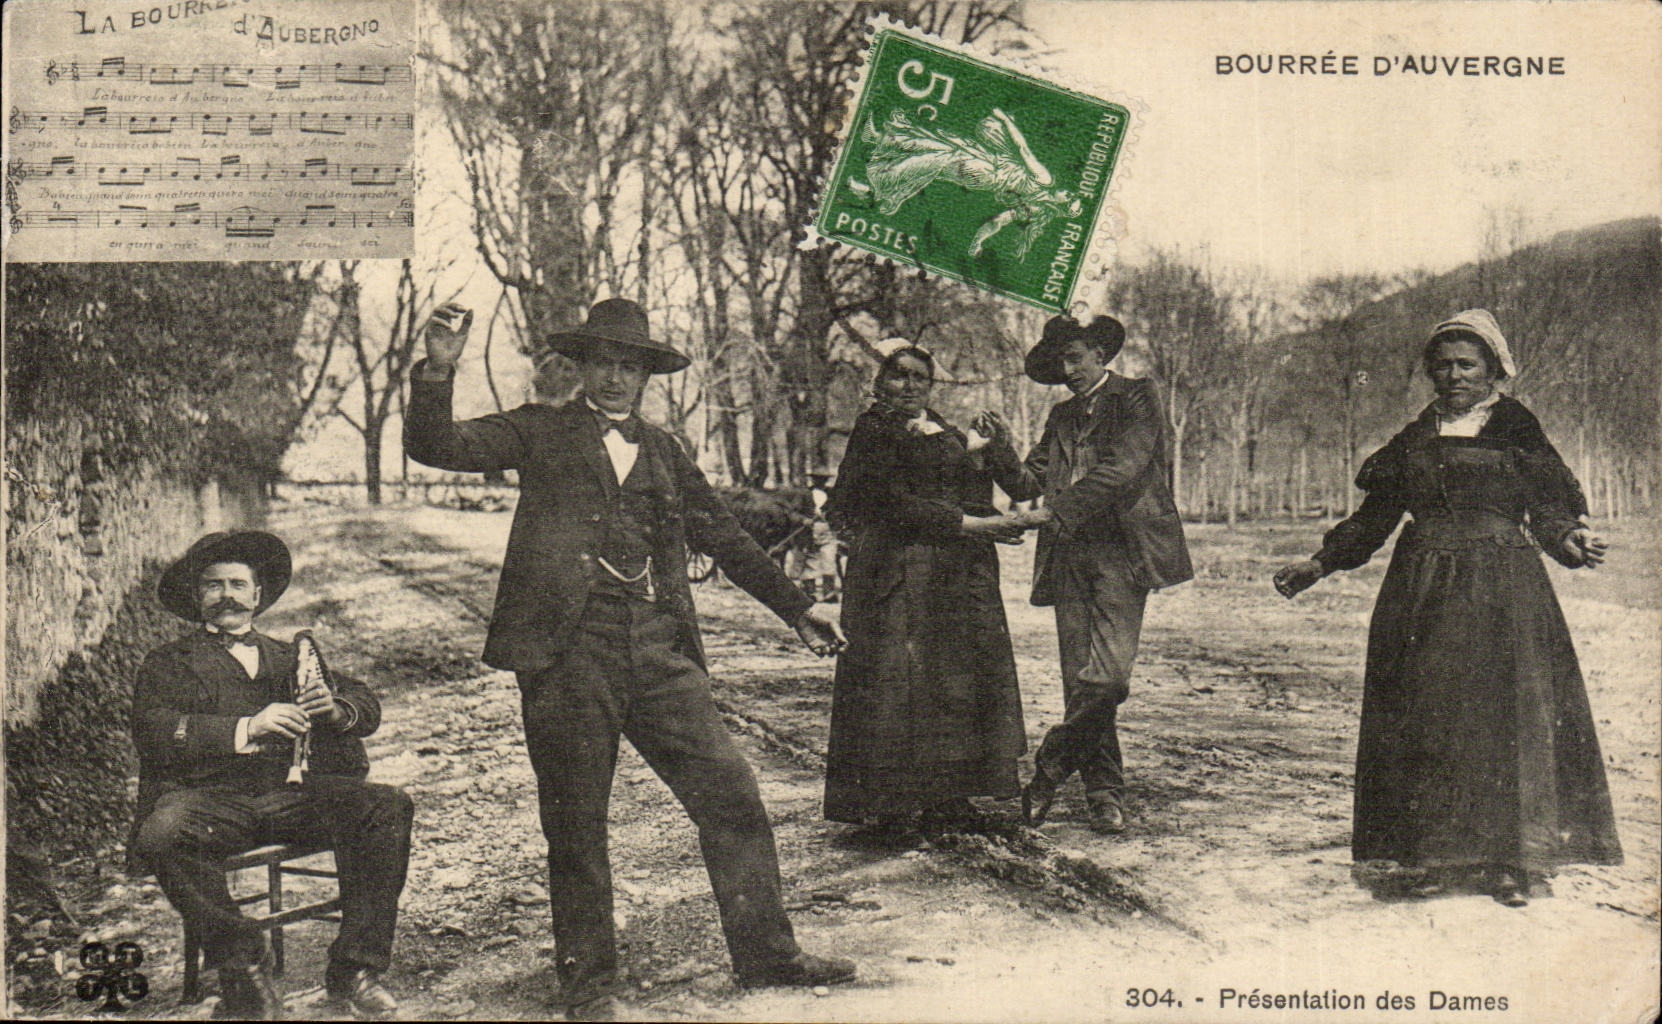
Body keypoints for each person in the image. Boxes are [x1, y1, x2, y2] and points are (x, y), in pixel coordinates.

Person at [404, 299, 855, 1020]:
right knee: (577, 825)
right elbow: (439, 446)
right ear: (579, 368)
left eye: (629, 366)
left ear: (647, 374)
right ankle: (591, 988)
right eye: (603, 363)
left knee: (732, 793)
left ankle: (769, 956)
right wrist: (437, 370)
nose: (615, 378)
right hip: (567, 657)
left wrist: (798, 606)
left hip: (656, 649)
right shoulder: (540, 430)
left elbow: (727, 537)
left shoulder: (666, 450)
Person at [1273, 309, 1622, 907]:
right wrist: (1321, 562)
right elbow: (1376, 517)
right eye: (1443, 365)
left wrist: (1570, 540)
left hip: (1503, 586)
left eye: (1467, 364)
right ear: (1430, 372)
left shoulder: (1515, 426)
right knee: (1427, 715)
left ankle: (1513, 862)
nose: (1454, 374)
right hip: (1423, 589)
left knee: (1506, 717)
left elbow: (1547, 507)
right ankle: (1432, 857)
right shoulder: (1415, 436)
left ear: (1492, 368)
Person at [129, 531, 412, 1020]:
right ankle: (244, 962)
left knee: (385, 806)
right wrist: (245, 727)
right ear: (197, 599)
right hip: (209, 800)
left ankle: (355, 970)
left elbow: (364, 703)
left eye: (239, 584)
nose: (227, 596)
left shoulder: (291, 656)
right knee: (160, 835)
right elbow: (154, 732)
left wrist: (334, 708)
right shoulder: (167, 664)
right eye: (213, 586)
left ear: (257, 596)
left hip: (289, 796)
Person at [979, 314, 1193, 834]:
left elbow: (1123, 469)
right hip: (1069, 555)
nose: (1067, 369)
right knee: (1082, 681)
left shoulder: (1138, 397)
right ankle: (1104, 793)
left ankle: (1051, 765)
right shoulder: (1060, 417)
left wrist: (1055, 512)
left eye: (1075, 357)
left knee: (1110, 677)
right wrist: (1001, 447)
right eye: (1060, 362)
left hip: (1124, 552)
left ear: (1101, 354)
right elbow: (1029, 481)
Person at [821, 345, 1028, 826]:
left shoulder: (943, 430)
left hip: (946, 575)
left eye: (921, 378)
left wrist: (984, 456)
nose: (910, 385)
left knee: (951, 680)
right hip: (891, 571)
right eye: (900, 376)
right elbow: (890, 502)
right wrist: (972, 526)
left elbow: (967, 493)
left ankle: (948, 797)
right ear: (881, 382)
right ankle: (889, 806)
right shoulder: (873, 431)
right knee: (896, 683)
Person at [806, 467, 841, 602]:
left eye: (824, 479)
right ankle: (809, 593)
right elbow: (796, 510)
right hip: (810, 530)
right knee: (811, 561)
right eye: (818, 479)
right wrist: (805, 519)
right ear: (813, 479)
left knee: (829, 560)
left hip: (828, 529)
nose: (821, 482)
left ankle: (829, 593)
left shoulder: (831, 494)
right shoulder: (806, 493)